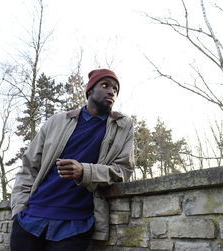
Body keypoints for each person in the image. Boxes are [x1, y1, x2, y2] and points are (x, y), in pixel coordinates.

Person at [10, 68, 135, 251]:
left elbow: (123, 170)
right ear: (90, 90)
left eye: (115, 89)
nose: (111, 91)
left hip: (75, 224)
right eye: (105, 85)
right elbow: (29, 166)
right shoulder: (57, 121)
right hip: (31, 219)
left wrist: (85, 172)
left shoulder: (122, 126)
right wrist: (19, 211)